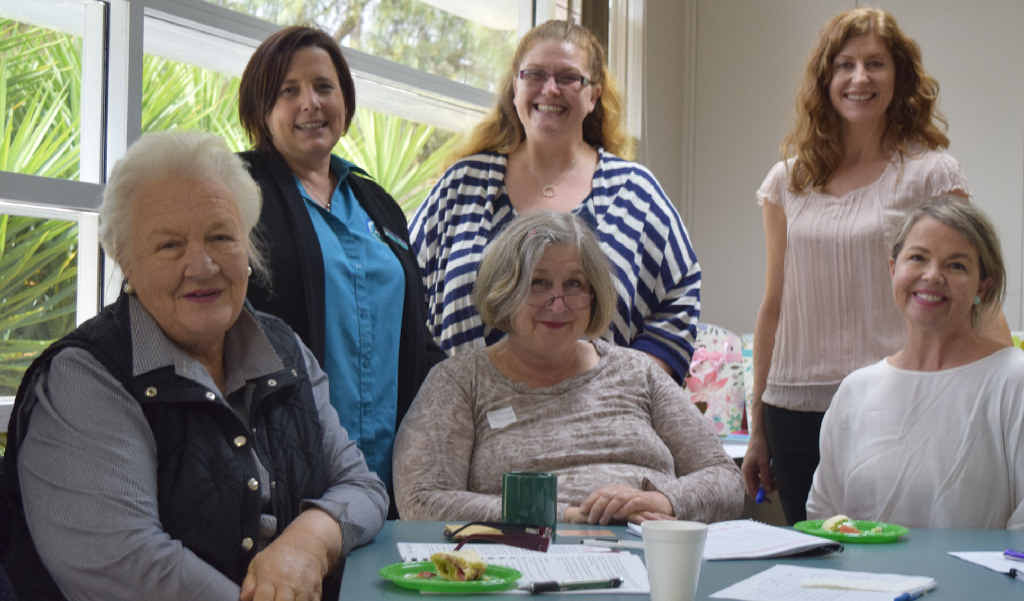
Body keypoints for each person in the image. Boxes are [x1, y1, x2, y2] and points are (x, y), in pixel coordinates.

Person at [1, 131, 387, 601]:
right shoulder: (84, 379)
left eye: (222, 236)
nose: (202, 265)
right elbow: (132, 566)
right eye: (169, 246)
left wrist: (308, 541)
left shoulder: (285, 350)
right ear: (126, 259)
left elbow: (362, 487)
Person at [742, 7, 1011, 525]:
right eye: (844, 65)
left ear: (900, 77)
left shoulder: (931, 173)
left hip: (896, 399)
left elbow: (967, 281)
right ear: (826, 80)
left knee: (904, 547)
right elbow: (774, 302)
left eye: (875, 64)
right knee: (819, 559)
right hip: (794, 407)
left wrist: (1005, 382)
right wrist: (757, 426)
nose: (859, 78)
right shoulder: (786, 182)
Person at [393, 212, 743, 525]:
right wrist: (564, 517)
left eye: (573, 284)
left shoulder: (638, 372)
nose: (557, 302)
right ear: (505, 292)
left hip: (651, 550)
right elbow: (422, 501)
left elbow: (726, 479)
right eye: (538, 283)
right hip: (520, 563)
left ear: (594, 294)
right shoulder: (460, 381)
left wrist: (665, 500)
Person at [409, 20, 700, 382]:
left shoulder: (635, 192)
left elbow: (680, 297)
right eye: (535, 75)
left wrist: (626, 389)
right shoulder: (462, 186)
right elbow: (404, 291)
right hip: (470, 420)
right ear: (515, 87)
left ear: (593, 95)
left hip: (596, 429)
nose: (550, 89)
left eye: (568, 78)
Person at [237, 26, 444, 503]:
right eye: (288, 91)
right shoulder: (238, 192)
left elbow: (417, 334)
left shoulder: (377, 203)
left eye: (323, 87)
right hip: (283, 466)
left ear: (345, 101)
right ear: (261, 110)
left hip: (394, 473)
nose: (310, 103)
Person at [807, 199, 1024, 528]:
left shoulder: (1013, 379)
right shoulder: (856, 390)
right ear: (894, 269)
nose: (932, 276)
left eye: (956, 266)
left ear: (983, 285)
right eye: (918, 258)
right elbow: (827, 516)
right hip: (863, 580)